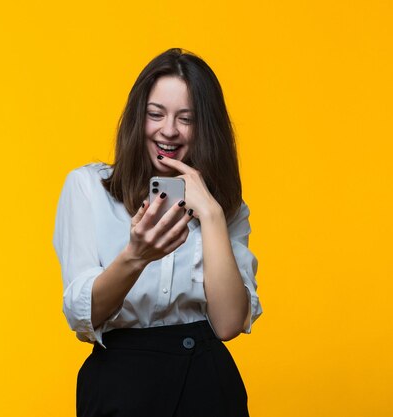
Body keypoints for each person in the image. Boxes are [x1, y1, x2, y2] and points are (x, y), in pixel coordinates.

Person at [52, 48, 262, 417]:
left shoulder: (225, 207)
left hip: (208, 385)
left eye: (187, 118)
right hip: (119, 384)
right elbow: (82, 316)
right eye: (156, 114)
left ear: (206, 128)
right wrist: (136, 256)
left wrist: (211, 214)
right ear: (138, 118)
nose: (169, 130)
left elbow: (229, 324)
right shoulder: (87, 188)